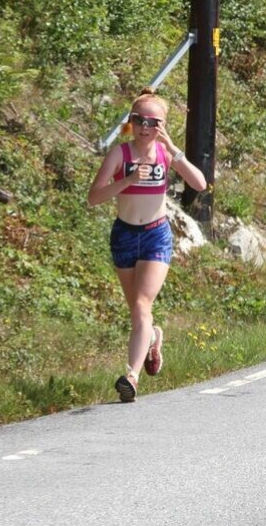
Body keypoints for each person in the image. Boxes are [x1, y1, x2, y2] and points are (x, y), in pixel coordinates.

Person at [87, 87, 207, 402]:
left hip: (156, 234)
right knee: (139, 313)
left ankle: (131, 377)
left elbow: (200, 183)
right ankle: (154, 336)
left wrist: (173, 148)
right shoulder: (119, 154)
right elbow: (93, 198)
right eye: (139, 119)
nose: (145, 127)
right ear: (130, 122)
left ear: (162, 126)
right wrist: (126, 181)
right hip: (124, 235)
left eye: (153, 122)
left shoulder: (166, 154)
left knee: (142, 306)